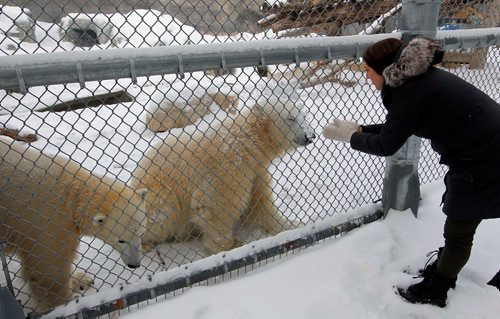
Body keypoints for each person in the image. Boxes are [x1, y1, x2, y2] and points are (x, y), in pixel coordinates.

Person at [322, 36, 500, 307]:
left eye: (368, 71)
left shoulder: (411, 92)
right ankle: (444, 269)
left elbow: (387, 144)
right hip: (484, 150)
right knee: (461, 221)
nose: (366, 76)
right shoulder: (418, 81)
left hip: (484, 159)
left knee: (459, 227)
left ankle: (438, 287)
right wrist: (360, 130)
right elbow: (399, 126)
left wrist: (350, 138)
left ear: (384, 71)